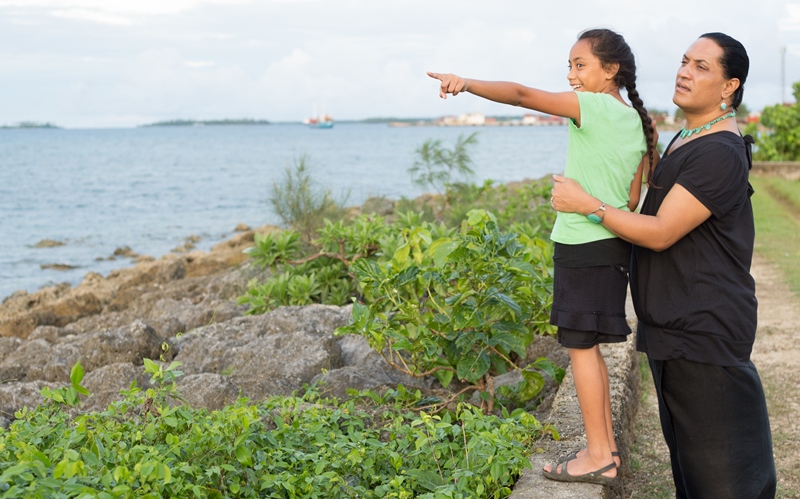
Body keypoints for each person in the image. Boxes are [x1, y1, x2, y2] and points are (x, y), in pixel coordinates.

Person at [551, 32, 777, 497]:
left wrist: (587, 204)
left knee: (724, 475)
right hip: (678, 330)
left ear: (729, 86)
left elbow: (660, 232)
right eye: (683, 61)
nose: (684, 72)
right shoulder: (690, 137)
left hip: (704, 328)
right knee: (693, 468)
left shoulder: (719, 151)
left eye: (701, 67)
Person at [429, 28, 655, 485]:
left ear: (611, 70)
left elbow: (519, 95)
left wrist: (466, 82)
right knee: (589, 351)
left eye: (580, 64)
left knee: (580, 350)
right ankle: (605, 447)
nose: (571, 75)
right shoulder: (637, 121)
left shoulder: (589, 106)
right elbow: (631, 199)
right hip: (613, 244)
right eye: (569, 66)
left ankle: (597, 455)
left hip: (581, 244)